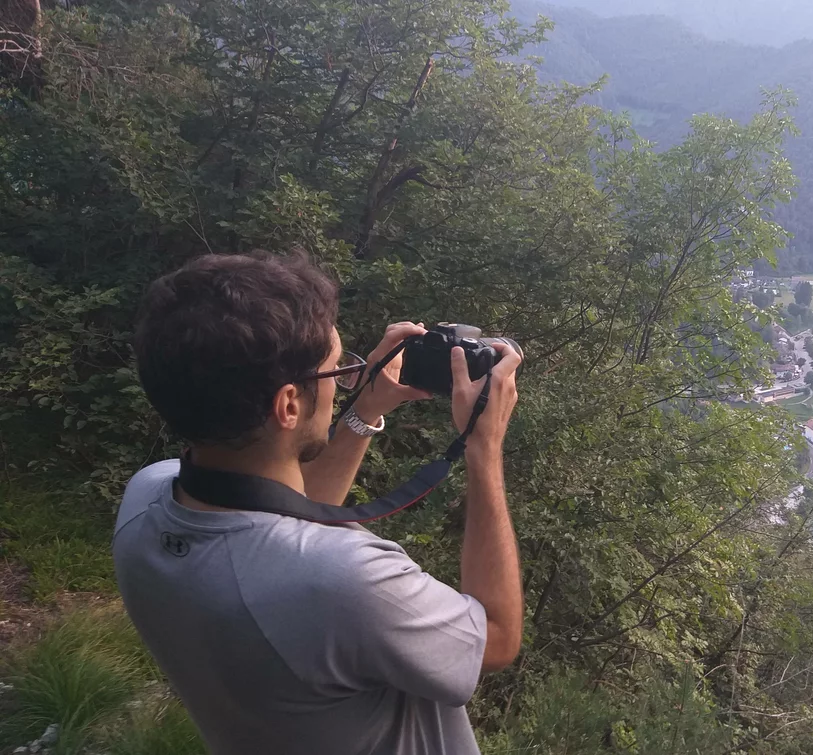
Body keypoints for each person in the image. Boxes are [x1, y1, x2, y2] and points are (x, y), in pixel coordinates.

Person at [112, 252, 522, 755]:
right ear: (288, 405)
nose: (345, 381)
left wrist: (366, 407)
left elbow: (281, 516)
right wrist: (483, 448)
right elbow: (497, 638)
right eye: (337, 372)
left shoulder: (146, 499)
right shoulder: (344, 580)